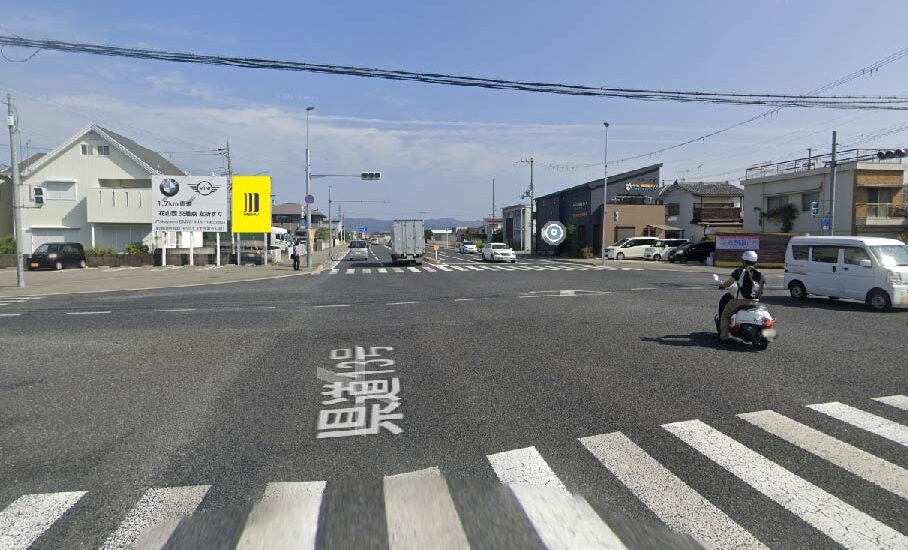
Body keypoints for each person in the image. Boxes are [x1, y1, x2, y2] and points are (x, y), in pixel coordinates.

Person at [718, 250, 764, 341]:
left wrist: (721, 285)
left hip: (741, 301)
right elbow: (762, 287)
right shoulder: (759, 273)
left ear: (743, 261)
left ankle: (723, 336)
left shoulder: (739, 271)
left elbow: (728, 283)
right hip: (755, 301)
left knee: (725, 315)